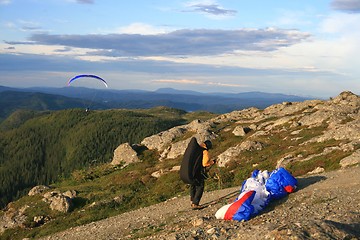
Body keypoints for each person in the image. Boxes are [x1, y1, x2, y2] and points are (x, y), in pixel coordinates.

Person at [180, 138, 215, 210]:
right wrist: (212, 162)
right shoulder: (204, 152)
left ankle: (192, 200)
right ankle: (195, 203)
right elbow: (205, 163)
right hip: (199, 172)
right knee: (200, 186)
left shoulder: (196, 150)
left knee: (193, 185)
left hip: (192, 172)